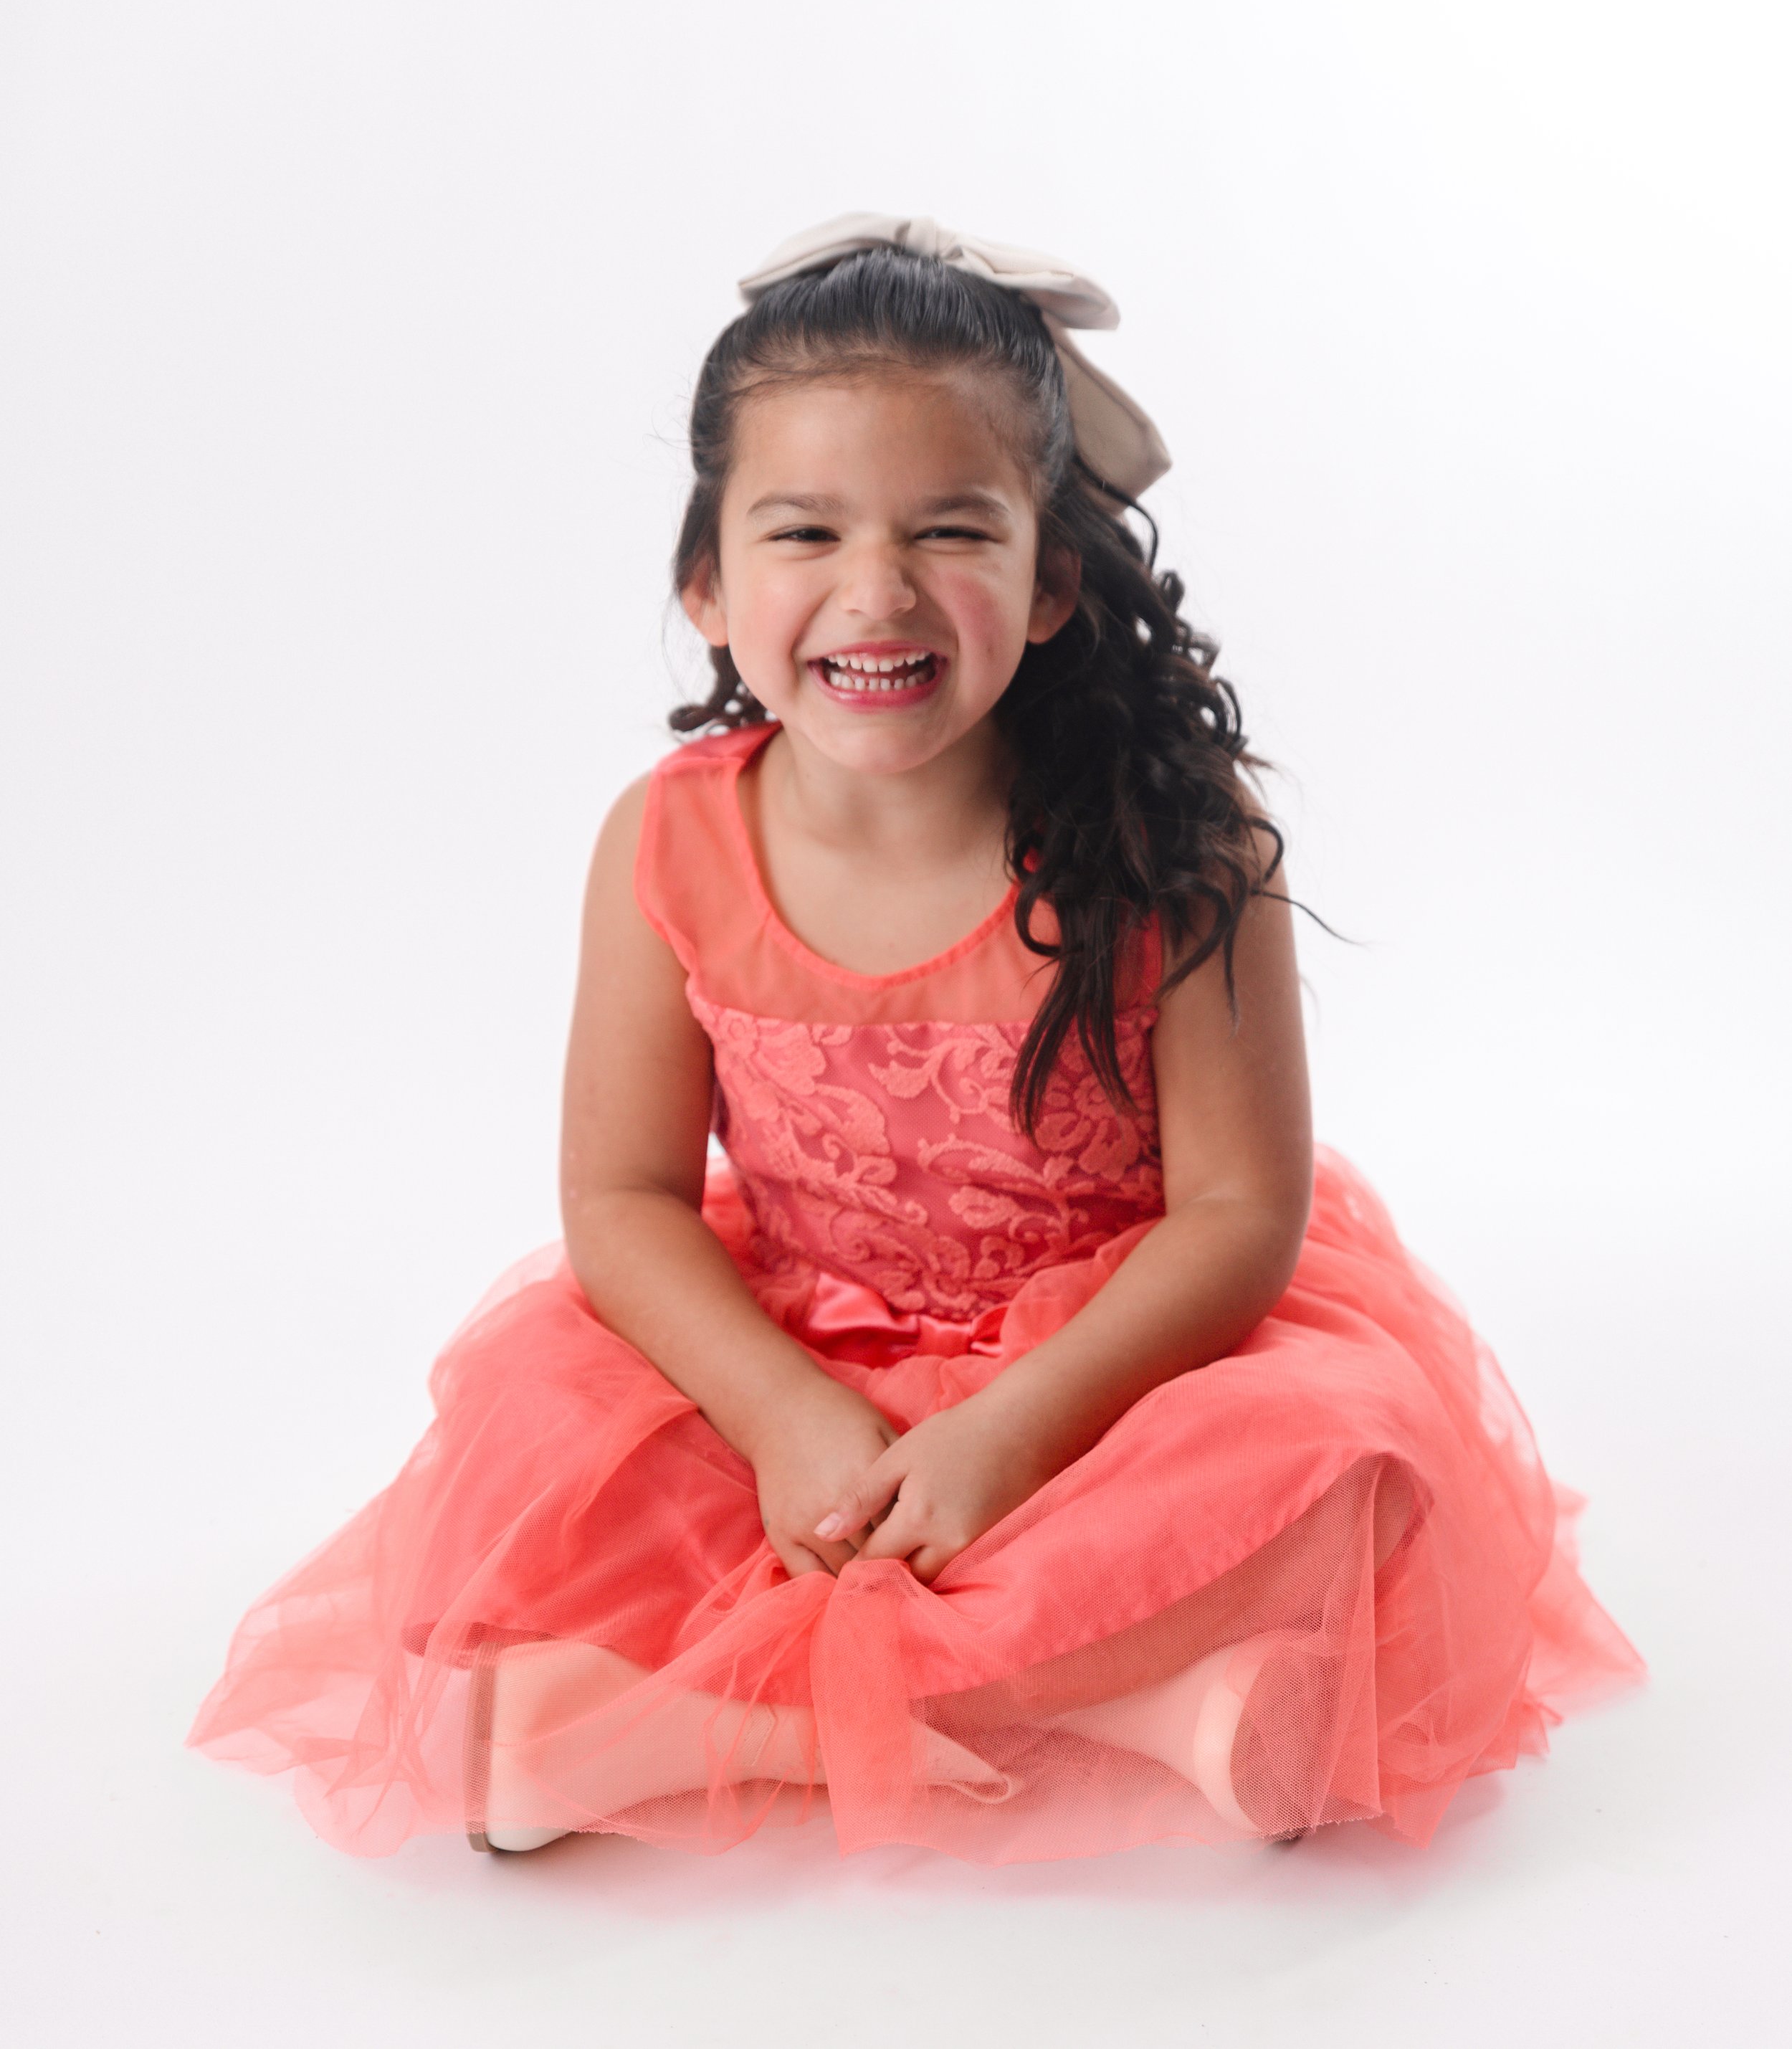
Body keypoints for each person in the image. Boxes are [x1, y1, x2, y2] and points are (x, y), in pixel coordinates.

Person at [189, 215, 1641, 1863]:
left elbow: (1239, 1217)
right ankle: (1136, 1713)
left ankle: (655, 1733)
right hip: (790, 1351)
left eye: (951, 530)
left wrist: (1012, 1434)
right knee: (535, 1451)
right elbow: (624, 1199)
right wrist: (781, 1416)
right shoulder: (665, 843)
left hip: (1105, 1371)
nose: (873, 593)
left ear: (1050, 582)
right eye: (802, 530)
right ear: (706, 580)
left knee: (1333, 1450)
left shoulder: (1177, 842)